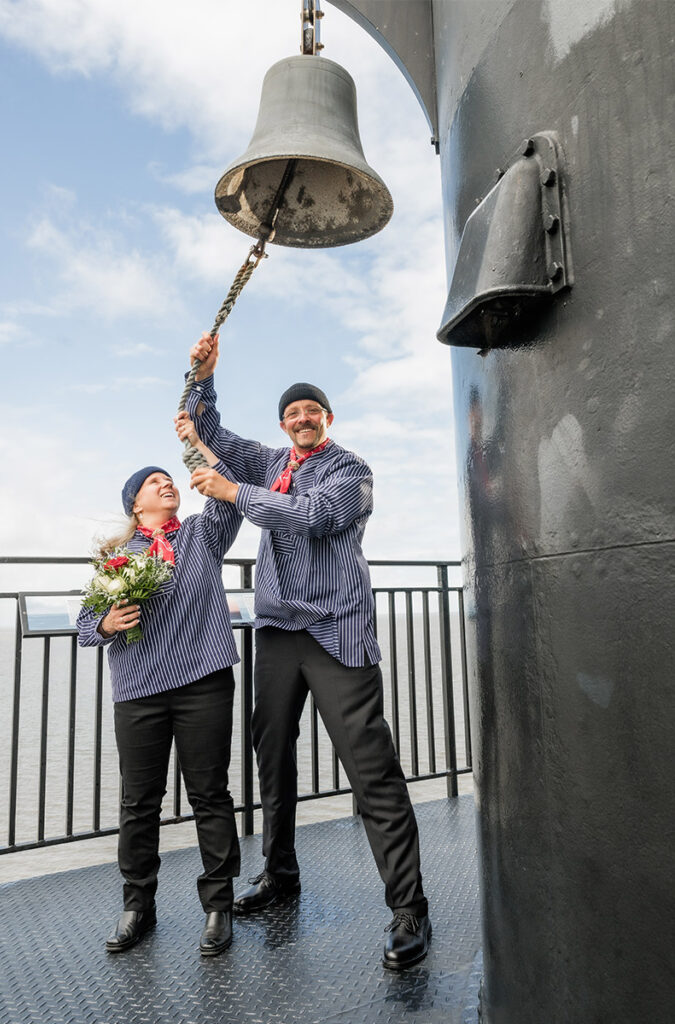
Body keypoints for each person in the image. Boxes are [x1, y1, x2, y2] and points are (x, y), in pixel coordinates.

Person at [175, 332, 431, 970]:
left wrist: (233, 494)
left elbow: (312, 516)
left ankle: (409, 909)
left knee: (371, 770)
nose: (301, 418)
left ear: (328, 419)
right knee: (272, 758)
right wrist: (203, 378)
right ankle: (280, 873)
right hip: (277, 632)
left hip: (336, 632)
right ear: (284, 425)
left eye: (311, 410)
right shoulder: (269, 462)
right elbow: (214, 436)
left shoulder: (350, 471)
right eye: (291, 413)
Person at [77, 426, 243, 957]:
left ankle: (218, 907)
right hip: (139, 690)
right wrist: (106, 623)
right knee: (139, 801)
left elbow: (229, 492)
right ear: (135, 503)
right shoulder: (114, 557)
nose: (166, 483)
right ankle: (137, 906)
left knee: (210, 794)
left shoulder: (201, 533)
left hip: (204, 681)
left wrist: (202, 440)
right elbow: (84, 626)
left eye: (170, 479)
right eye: (154, 482)